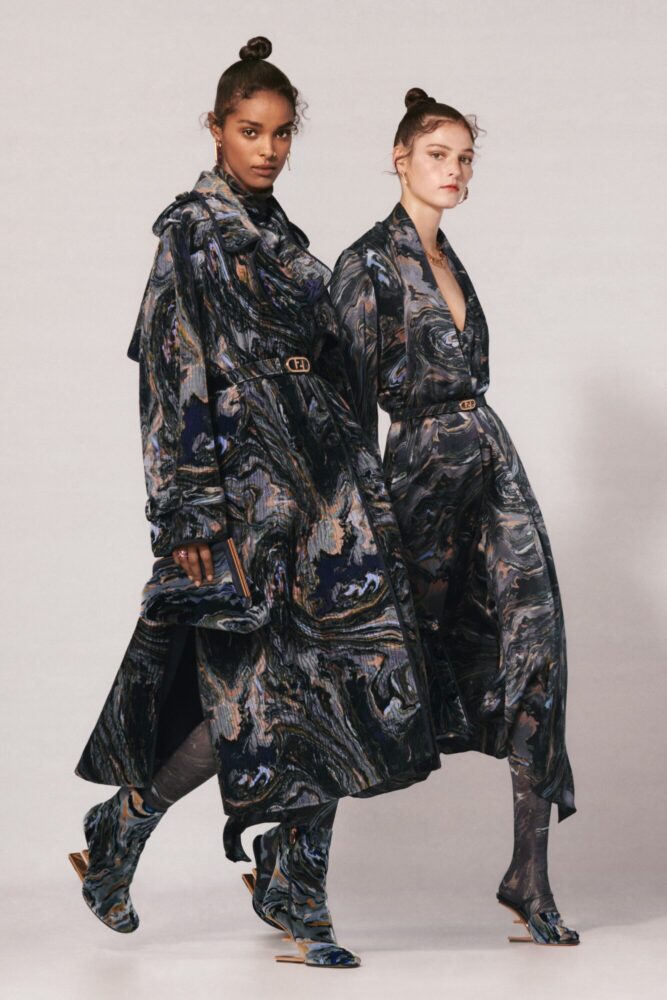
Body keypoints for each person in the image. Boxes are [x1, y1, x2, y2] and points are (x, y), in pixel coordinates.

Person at [69, 46, 440, 969]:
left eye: (280, 135)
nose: (268, 149)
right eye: (250, 131)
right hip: (245, 500)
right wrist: (189, 513)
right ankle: (125, 823)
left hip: (326, 490)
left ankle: (292, 885)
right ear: (216, 129)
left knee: (333, 685)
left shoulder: (284, 236)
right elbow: (171, 373)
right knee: (243, 697)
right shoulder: (192, 232)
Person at [330, 88, 579, 946]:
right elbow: (343, 412)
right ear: (399, 158)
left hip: (490, 464)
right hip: (419, 479)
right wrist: (348, 523)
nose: (455, 170)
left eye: (465, 157)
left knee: (536, 649)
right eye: (438, 154)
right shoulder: (366, 264)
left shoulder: (448, 258)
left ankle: (527, 875)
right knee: (363, 663)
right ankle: (279, 865)